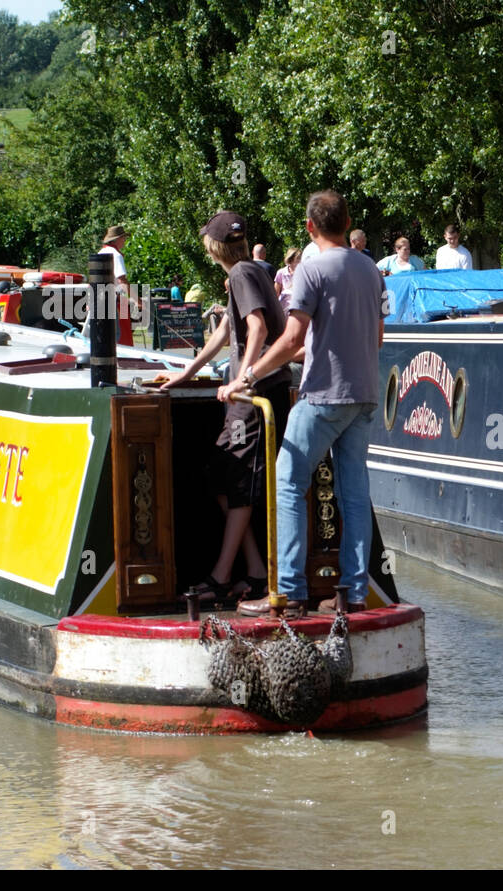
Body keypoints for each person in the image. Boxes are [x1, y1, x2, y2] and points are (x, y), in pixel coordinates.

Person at [237, 190, 384, 618]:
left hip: (323, 395)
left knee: (287, 482)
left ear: (309, 227)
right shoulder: (371, 269)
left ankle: (289, 592)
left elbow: (292, 338)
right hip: (365, 396)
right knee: (354, 494)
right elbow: (374, 338)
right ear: (347, 220)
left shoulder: (310, 269)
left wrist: (249, 375)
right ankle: (353, 595)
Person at [153, 211, 292, 602]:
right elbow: (225, 331)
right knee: (221, 478)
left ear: (213, 247)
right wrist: (187, 371)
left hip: (253, 397)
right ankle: (254, 571)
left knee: (237, 481)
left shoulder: (243, 274)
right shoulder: (252, 271)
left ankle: (220, 577)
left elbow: (259, 328)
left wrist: (241, 380)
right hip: (251, 392)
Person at [97, 224, 136, 346]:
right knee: (120, 335)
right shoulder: (116, 255)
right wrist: (137, 300)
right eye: (123, 238)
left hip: (98, 298)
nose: (124, 241)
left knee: (103, 335)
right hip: (116, 300)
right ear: (117, 239)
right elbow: (122, 280)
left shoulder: (100, 252)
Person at [274, 246, 301, 313]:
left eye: (300, 258)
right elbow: (276, 293)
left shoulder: (303, 273)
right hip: (284, 308)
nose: (300, 260)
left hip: (298, 307)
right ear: (291, 259)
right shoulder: (281, 272)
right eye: (298, 258)